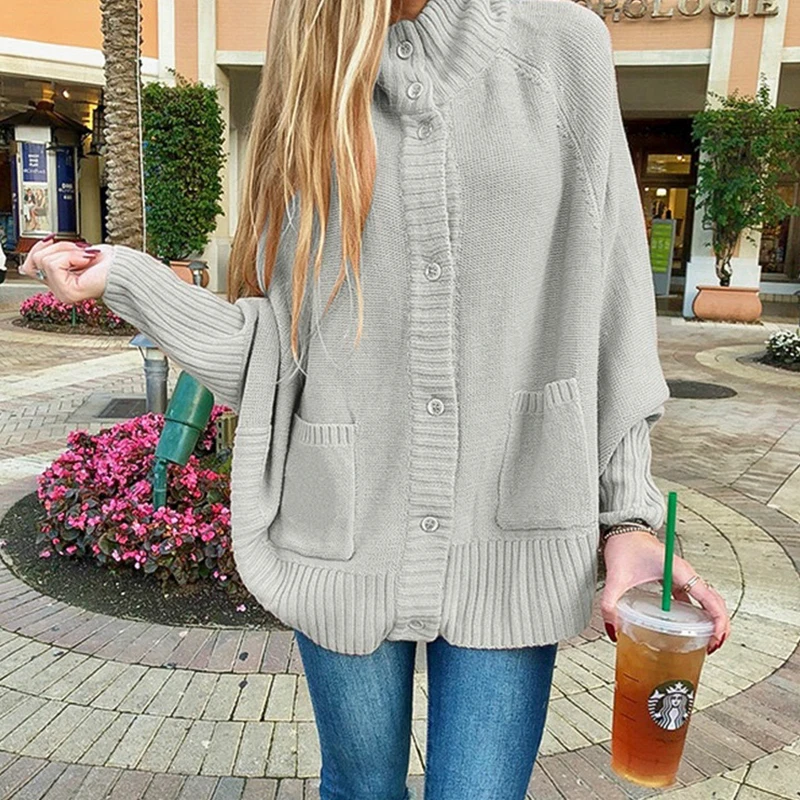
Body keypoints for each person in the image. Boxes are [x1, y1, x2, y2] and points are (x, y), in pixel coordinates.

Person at [21, 1, 731, 798]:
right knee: (359, 789)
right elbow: (279, 354)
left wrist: (629, 519)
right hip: (344, 526)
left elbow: (615, 307)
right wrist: (126, 279)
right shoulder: (313, 75)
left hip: (515, 526)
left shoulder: (563, 46)